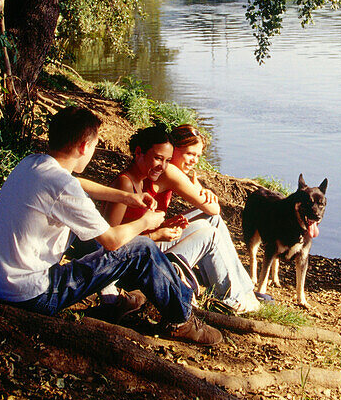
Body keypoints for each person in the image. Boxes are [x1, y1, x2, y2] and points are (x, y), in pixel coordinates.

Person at [0, 106, 222, 345]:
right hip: (31, 296)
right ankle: (181, 320)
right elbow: (112, 240)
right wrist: (146, 222)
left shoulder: (33, 163)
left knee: (115, 243)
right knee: (142, 247)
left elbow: (77, 183)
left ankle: (141, 296)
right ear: (84, 147)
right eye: (94, 146)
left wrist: (126, 198)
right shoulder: (62, 186)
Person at [106, 124, 262, 314]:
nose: (193, 160)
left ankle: (244, 292)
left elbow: (134, 222)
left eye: (198, 156)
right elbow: (109, 243)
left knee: (213, 222)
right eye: (189, 154)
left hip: (141, 248)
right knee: (210, 230)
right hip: (131, 262)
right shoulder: (158, 174)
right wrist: (157, 233)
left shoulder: (144, 176)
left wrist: (162, 226)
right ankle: (235, 297)